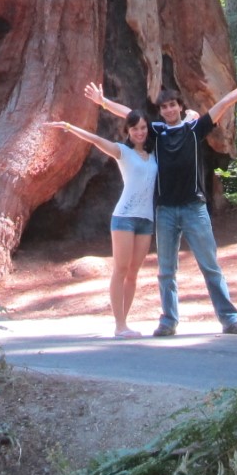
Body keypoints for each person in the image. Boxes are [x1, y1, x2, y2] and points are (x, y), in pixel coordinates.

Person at [85, 64, 237, 336]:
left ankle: (229, 318)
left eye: (173, 105)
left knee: (210, 266)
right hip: (166, 211)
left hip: (194, 208)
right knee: (166, 270)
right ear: (160, 112)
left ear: (180, 107)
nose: (169, 110)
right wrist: (102, 102)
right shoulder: (156, 133)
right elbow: (129, 114)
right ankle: (168, 321)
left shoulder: (195, 128)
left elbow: (223, 104)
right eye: (164, 107)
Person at [44, 110, 159, 338]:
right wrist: (70, 126)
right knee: (121, 268)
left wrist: (190, 118)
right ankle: (119, 324)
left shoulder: (154, 155)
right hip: (124, 217)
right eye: (134, 128)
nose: (140, 132)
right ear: (128, 131)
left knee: (134, 272)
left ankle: (125, 323)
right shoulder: (123, 152)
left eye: (143, 128)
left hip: (146, 219)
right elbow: (96, 140)